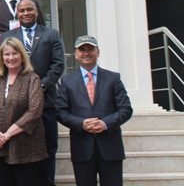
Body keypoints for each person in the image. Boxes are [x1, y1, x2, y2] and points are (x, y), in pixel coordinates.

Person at [1, 0, 65, 186]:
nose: (26, 13)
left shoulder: (51, 35)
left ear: (37, 11)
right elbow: (3, 67)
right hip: (16, 104)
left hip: (45, 102)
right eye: (22, 10)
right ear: (17, 14)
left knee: (47, 148)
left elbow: (58, 64)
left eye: (30, 9)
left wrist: (40, 86)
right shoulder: (7, 37)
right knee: (19, 149)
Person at [56, 35, 133, 186]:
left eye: (90, 49)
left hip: (110, 147)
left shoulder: (113, 78)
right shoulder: (67, 82)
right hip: (82, 147)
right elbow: (60, 112)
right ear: (76, 54)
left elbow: (126, 109)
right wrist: (81, 124)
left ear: (98, 52)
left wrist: (105, 123)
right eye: (82, 49)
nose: (86, 53)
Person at [0, 37, 47, 186]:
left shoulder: (32, 79)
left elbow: (34, 112)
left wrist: (7, 135)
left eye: (15, 54)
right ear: (1, 58)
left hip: (26, 148)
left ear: (22, 56)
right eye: (7, 54)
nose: (10, 58)